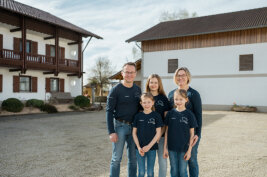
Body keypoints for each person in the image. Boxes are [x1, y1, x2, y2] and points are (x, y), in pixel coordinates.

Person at [106, 62, 141, 177]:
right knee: (116, 159)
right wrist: (111, 131)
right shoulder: (115, 90)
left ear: (135, 74)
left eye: (132, 72)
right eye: (127, 72)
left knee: (133, 159)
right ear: (122, 73)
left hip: (134, 129)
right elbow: (109, 111)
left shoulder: (137, 90)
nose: (129, 74)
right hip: (120, 127)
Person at [168, 67, 202, 177]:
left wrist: (197, 134)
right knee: (177, 164)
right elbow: (170, 114)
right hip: (176, 136)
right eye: (178, 75)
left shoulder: (194, 94)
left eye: (183, 75)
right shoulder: (171, 94)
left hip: (191, 134)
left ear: (187, 77)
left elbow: (198, 116)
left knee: (191, 160)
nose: (180, 77)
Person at [164, 89, 198, 177]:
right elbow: (167, 131)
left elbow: (192, 134)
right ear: (173, 100)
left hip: (184, 148)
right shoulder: (170, 114)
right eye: (176, 99)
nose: (178, 101)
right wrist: (165, 148)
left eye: (181, 99)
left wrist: (189, 150)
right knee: (174, 170)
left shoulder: (190, 115)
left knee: (183, 171)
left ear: (186, 100)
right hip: (171, 148)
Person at [145, 74, 172, 177]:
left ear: (159, 84)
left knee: (162, 162)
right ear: (148, 83)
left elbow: (166, 120)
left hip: (161, 137)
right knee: (149, 165)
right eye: (151, 82)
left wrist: (159, 134)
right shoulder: (144, 97)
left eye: (156, 82)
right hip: (147, 137)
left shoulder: (164, 99)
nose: (153, 84)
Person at [132, 93, 163, 177]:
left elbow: (158, 133)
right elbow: (134, 133)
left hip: (152, 148)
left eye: (149, 102)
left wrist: (149, 146)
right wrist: (138, 147)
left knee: (150, 172)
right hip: (140, 149)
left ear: (153, 102)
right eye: (144, 102)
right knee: (141, 172)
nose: (146, 104)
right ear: (141, 103)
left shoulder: (156, 115)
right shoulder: (138, 116)